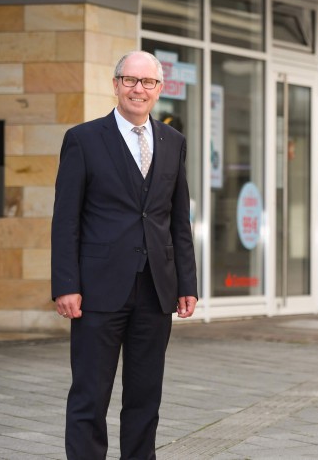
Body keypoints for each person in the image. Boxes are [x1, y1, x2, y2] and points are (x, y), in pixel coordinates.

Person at [51, 50, 198, 459]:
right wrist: (66, 284)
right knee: (89, 395)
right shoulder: (83, 139)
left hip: (156, 289)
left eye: (147, 82)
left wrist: (187, 283)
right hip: (97, 291)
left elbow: (178, 220)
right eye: (130, 80)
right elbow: (66, 220)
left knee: (145, 395)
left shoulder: (174, 142)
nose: (139, 89)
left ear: (159, 89)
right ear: (116, 85)